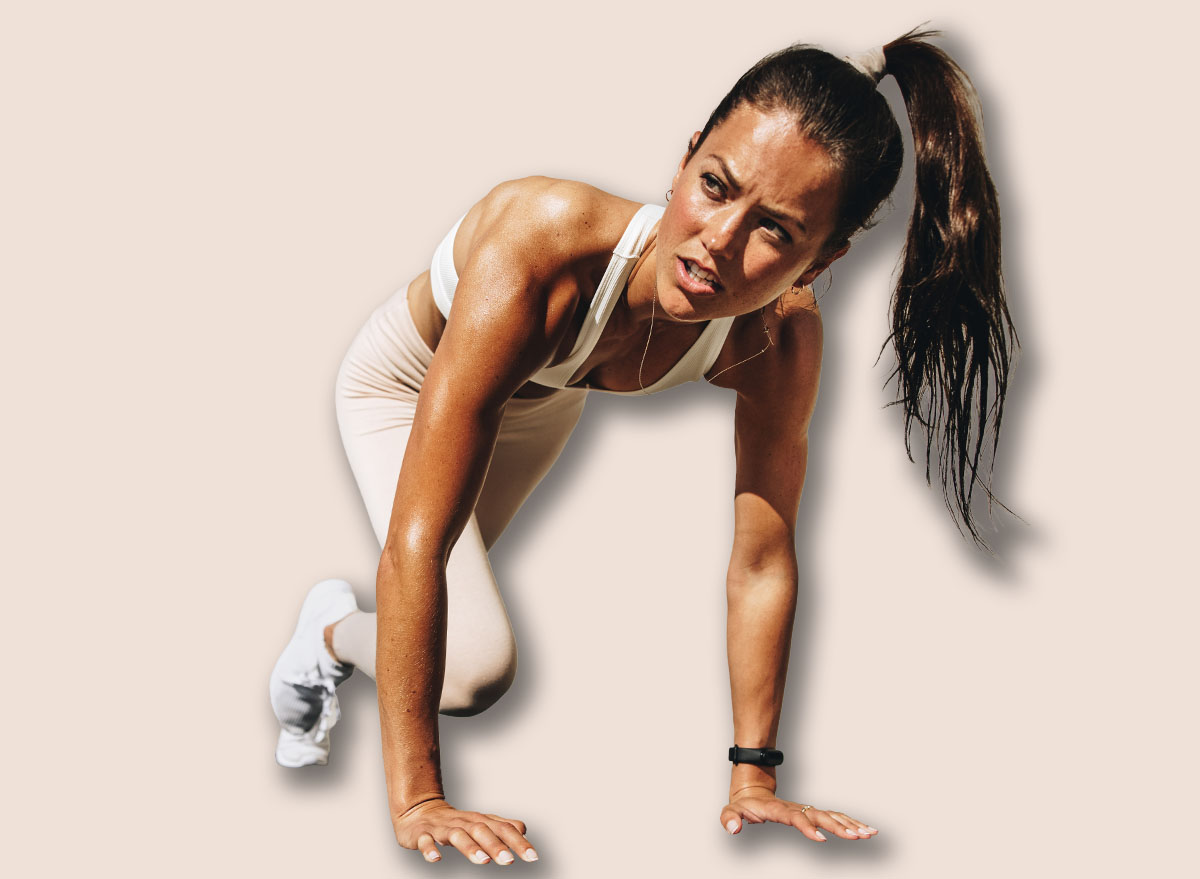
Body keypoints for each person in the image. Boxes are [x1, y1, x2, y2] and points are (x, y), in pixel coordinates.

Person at [269, 29, 1016, 865]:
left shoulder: (778, 340)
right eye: (714, 186)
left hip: (542, 399)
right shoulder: (541, 247)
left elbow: (762, 561)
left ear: (823, 259)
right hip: (408, 386)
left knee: (444, 639)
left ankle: (338, 634)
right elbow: (418, 543)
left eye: (774, 229)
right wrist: (419, 799)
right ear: (686, 153)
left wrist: (754, 776)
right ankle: (331, 634)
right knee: (474, 667)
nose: (716, 245)